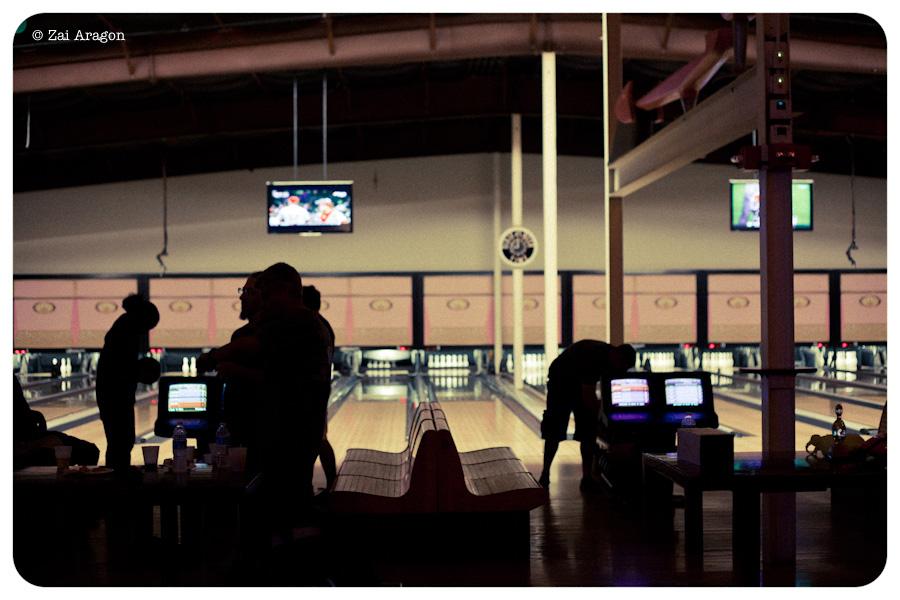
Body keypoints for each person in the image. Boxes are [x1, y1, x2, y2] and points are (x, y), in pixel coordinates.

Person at [538, 340, 636, 491]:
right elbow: (588, 395)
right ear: (617, 356)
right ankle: (545, 474)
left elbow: (607, 393)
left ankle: (587, 477)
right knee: (554, 431)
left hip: (579, 385)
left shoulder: (614, 361)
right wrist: (601, 418)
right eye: (621, 366)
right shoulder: (593, 357)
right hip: (560, 383)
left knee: (588, 433)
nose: (620, 370)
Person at [95, 294, 161, 471]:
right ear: (143, 318)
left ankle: (117, 474)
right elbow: (120, 368)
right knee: (121, 441)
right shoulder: (127, 329)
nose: (146, 331)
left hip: (111, 393)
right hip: (113, 395)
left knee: (120, 442)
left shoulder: (125, 324)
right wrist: (142, 371)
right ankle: (118, 477)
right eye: (148, 327)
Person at [13, 377, 100, 470]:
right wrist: (36, 443)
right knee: (88, 451)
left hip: (34, 436)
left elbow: (24, 413)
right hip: (26, 442)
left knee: (91, 450)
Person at [302, 284, 337, 492]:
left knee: (317, 440)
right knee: (320, 438)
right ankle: (332, 483)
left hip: (314, 391)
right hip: (319, 389)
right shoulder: (322, 324)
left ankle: (331, 484)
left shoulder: (314, 326)